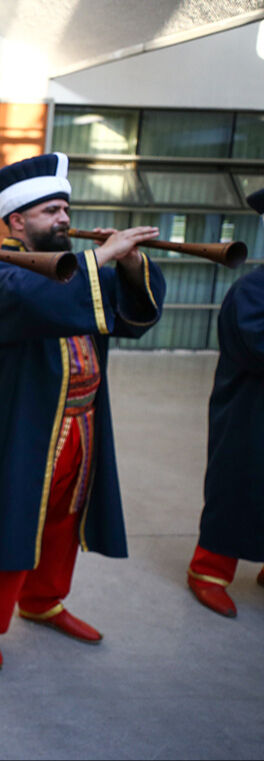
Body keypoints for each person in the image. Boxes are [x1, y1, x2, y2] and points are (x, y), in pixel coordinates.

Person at [0, 152, 165, 669]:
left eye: (65, 209)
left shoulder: (77, 267)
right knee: (8, 516)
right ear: (16, 222)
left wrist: (130, 264)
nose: (64, 220)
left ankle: (43, 600)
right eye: (50, 211)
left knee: (63, 519)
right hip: (20, 421)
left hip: (83, 420)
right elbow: (37, 303)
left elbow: (128, 314)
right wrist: (102, 258)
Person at [186, 188, 264, 617]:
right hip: (250, 414)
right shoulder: (252, 290)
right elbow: (255, 346)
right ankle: (209, 571)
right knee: (239, 488)